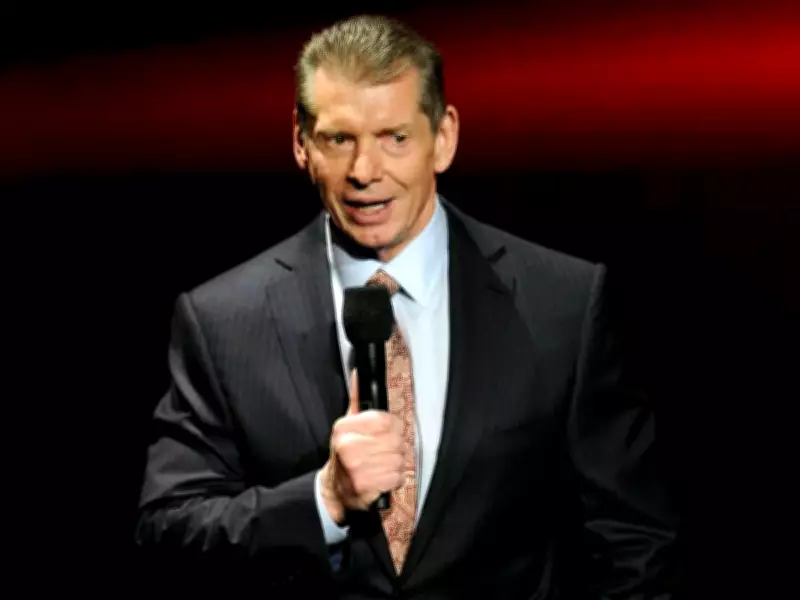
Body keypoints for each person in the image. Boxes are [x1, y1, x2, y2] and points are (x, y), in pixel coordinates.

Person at [133, 14, 681, 599]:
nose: (364, 172)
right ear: (300, 143)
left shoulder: (562, 304)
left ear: (443, 138)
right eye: (339, 140)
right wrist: (324, 499)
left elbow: (634, 541)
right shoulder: (221, 321)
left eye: (394, 137)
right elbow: (168, 530)